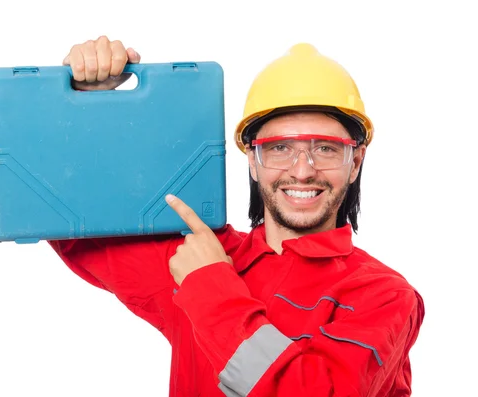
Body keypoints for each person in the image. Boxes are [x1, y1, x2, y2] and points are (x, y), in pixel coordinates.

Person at [49, 35, 425, 397]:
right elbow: (64, 217)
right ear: (253, 161)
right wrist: (89, 107)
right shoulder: (197, 252)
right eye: (279, 148)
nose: (303, 171)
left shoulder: (384, 297)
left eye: (326, 149)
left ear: (355, 162)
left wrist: (209, 286)